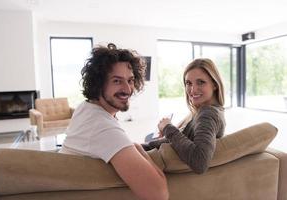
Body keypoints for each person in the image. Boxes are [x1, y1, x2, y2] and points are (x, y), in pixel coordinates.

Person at [60, 43, 169, 200]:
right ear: (99, 83)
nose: (127, 88)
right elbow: (159, 194)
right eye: (117, 81)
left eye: (130, 80)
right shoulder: (102, 127)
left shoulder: (85, 108)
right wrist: (137, 147)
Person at [143, 58, 226, 174]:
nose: (193, 90)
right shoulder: (207, 111)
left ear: (215, 85)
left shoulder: (208, 114)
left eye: (201, 82)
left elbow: (200, 162)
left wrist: (168, 128)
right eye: (188, 83)